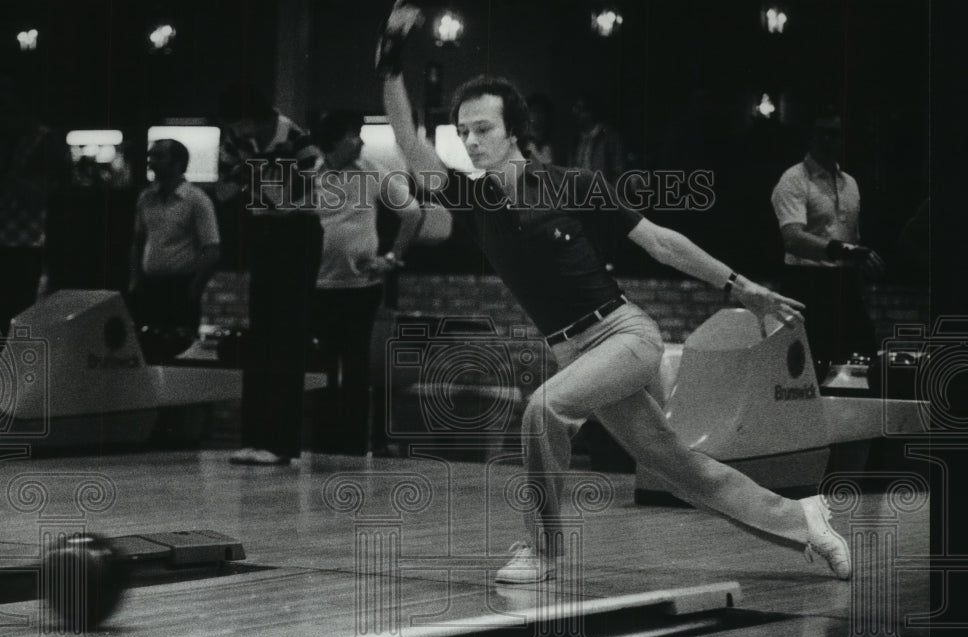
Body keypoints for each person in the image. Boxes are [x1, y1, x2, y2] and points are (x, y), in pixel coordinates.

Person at [376, 3, 852, 584]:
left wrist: (741, 286)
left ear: (514, 131)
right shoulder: (477, 204)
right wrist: (392, 64)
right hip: (574, 352)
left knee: (542, 409)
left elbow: (660, 242)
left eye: (484, 130)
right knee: (679, 466)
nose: (472, 142)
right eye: (464, 132)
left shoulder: (573, 184)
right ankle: (805, 520)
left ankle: (543, 551)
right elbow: (405, 139)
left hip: (624, 334)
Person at [217, 83, 323, 465]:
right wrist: (251, 174)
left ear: (255, 118)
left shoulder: (295, 136)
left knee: (288, 337)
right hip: (262, 232)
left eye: (240, 125)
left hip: (297, 234)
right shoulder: (235, 140)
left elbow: (305, 192)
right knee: (260, 335)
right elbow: (224, 192)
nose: (237, 134)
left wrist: (257, 175)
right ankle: (255, 438)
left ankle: (282, 443)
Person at [311, 111, 421, 454]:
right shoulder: (308, 174)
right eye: (352, 134)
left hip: (361, 288)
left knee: (356, 366)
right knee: (322, 368)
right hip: (318, 286)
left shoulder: (370, 169)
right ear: (332, 140)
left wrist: (390, 259)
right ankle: (323, 444)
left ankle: (354, 445)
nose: (359, 140)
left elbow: (413, 212)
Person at [771, 110, 884, 387]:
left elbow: (851, 237)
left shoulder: (851, 184)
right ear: (810, 137)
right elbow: (793, 238)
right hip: (806, 285)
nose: (827, 140)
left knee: (861, 363)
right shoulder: (794, 180)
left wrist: (859, 265)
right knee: (807, 373)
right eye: (821, 132)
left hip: (842, 284)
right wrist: (846, 252)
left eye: (834, 134)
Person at [0, 76, 67, 338]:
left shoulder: (44, 140)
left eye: (6, 107)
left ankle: (19, 374)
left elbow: (40, 194)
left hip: (28, 243)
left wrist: (1, 174)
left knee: (20, 316)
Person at [127, 139, 221, 360]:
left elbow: (213, 249)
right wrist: (135, 279)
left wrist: (194, 288)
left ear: (177, 163)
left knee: (180, 352)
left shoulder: (196, 200)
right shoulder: (146, 198)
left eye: (159, 157)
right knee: (148, 350)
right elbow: (137, 242)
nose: (151, 162)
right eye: (150, 156)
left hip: (180, 287)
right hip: (150, 287)